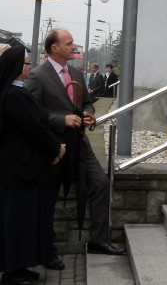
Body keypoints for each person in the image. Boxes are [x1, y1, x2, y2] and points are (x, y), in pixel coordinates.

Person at [24, 30, 125, 257]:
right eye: (69, 43)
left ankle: (98, 240)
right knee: (48, 195)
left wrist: (88, 114)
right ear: (54, 48)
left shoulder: (76, 74)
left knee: (100, 183)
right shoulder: (38, 76)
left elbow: (88, 103)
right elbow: (30, 112)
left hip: (80, 144)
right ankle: (45, 248)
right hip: (53, 145)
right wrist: (61, 119)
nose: (74, 46)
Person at [0, 46, 65, 285]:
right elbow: (34, 127)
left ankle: (22, 266)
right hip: (19, 171)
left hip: (27, 169)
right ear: (17, 67)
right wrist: (56, 148)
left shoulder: (17, 92)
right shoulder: (14, 95)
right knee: (17, 221)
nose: (30, 66)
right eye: (27, 63)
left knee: (26, 221)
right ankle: (13, 271)